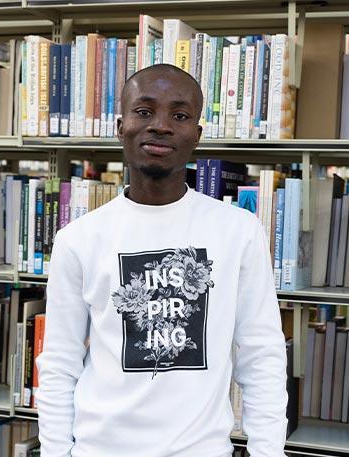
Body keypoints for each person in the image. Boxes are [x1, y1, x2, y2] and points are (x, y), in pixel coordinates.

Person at [36, 64, 288, 457]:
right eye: (144, 111)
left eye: (180, 115)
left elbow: (262, 354)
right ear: (121, 126)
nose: (161, 125)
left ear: (197, 134)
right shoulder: (78, 240)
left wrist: (269, 452)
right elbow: (59, 363)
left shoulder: (238, 231)